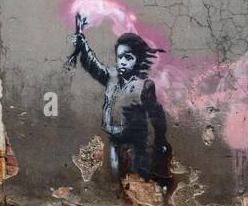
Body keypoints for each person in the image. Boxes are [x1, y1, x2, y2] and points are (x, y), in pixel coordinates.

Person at [67, 13, 171, 184]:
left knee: (139, 171)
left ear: (138, 61)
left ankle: (142, 190)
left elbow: (156, 113)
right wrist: (83, 44)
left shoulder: (144, 85)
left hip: (137, 140)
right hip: (114, 136)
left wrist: (161, 137)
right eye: (120, 57)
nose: (122, 61)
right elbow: (94, 65)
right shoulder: (111, 76)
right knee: (116, 174)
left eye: (128, 58)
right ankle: (119, 191)